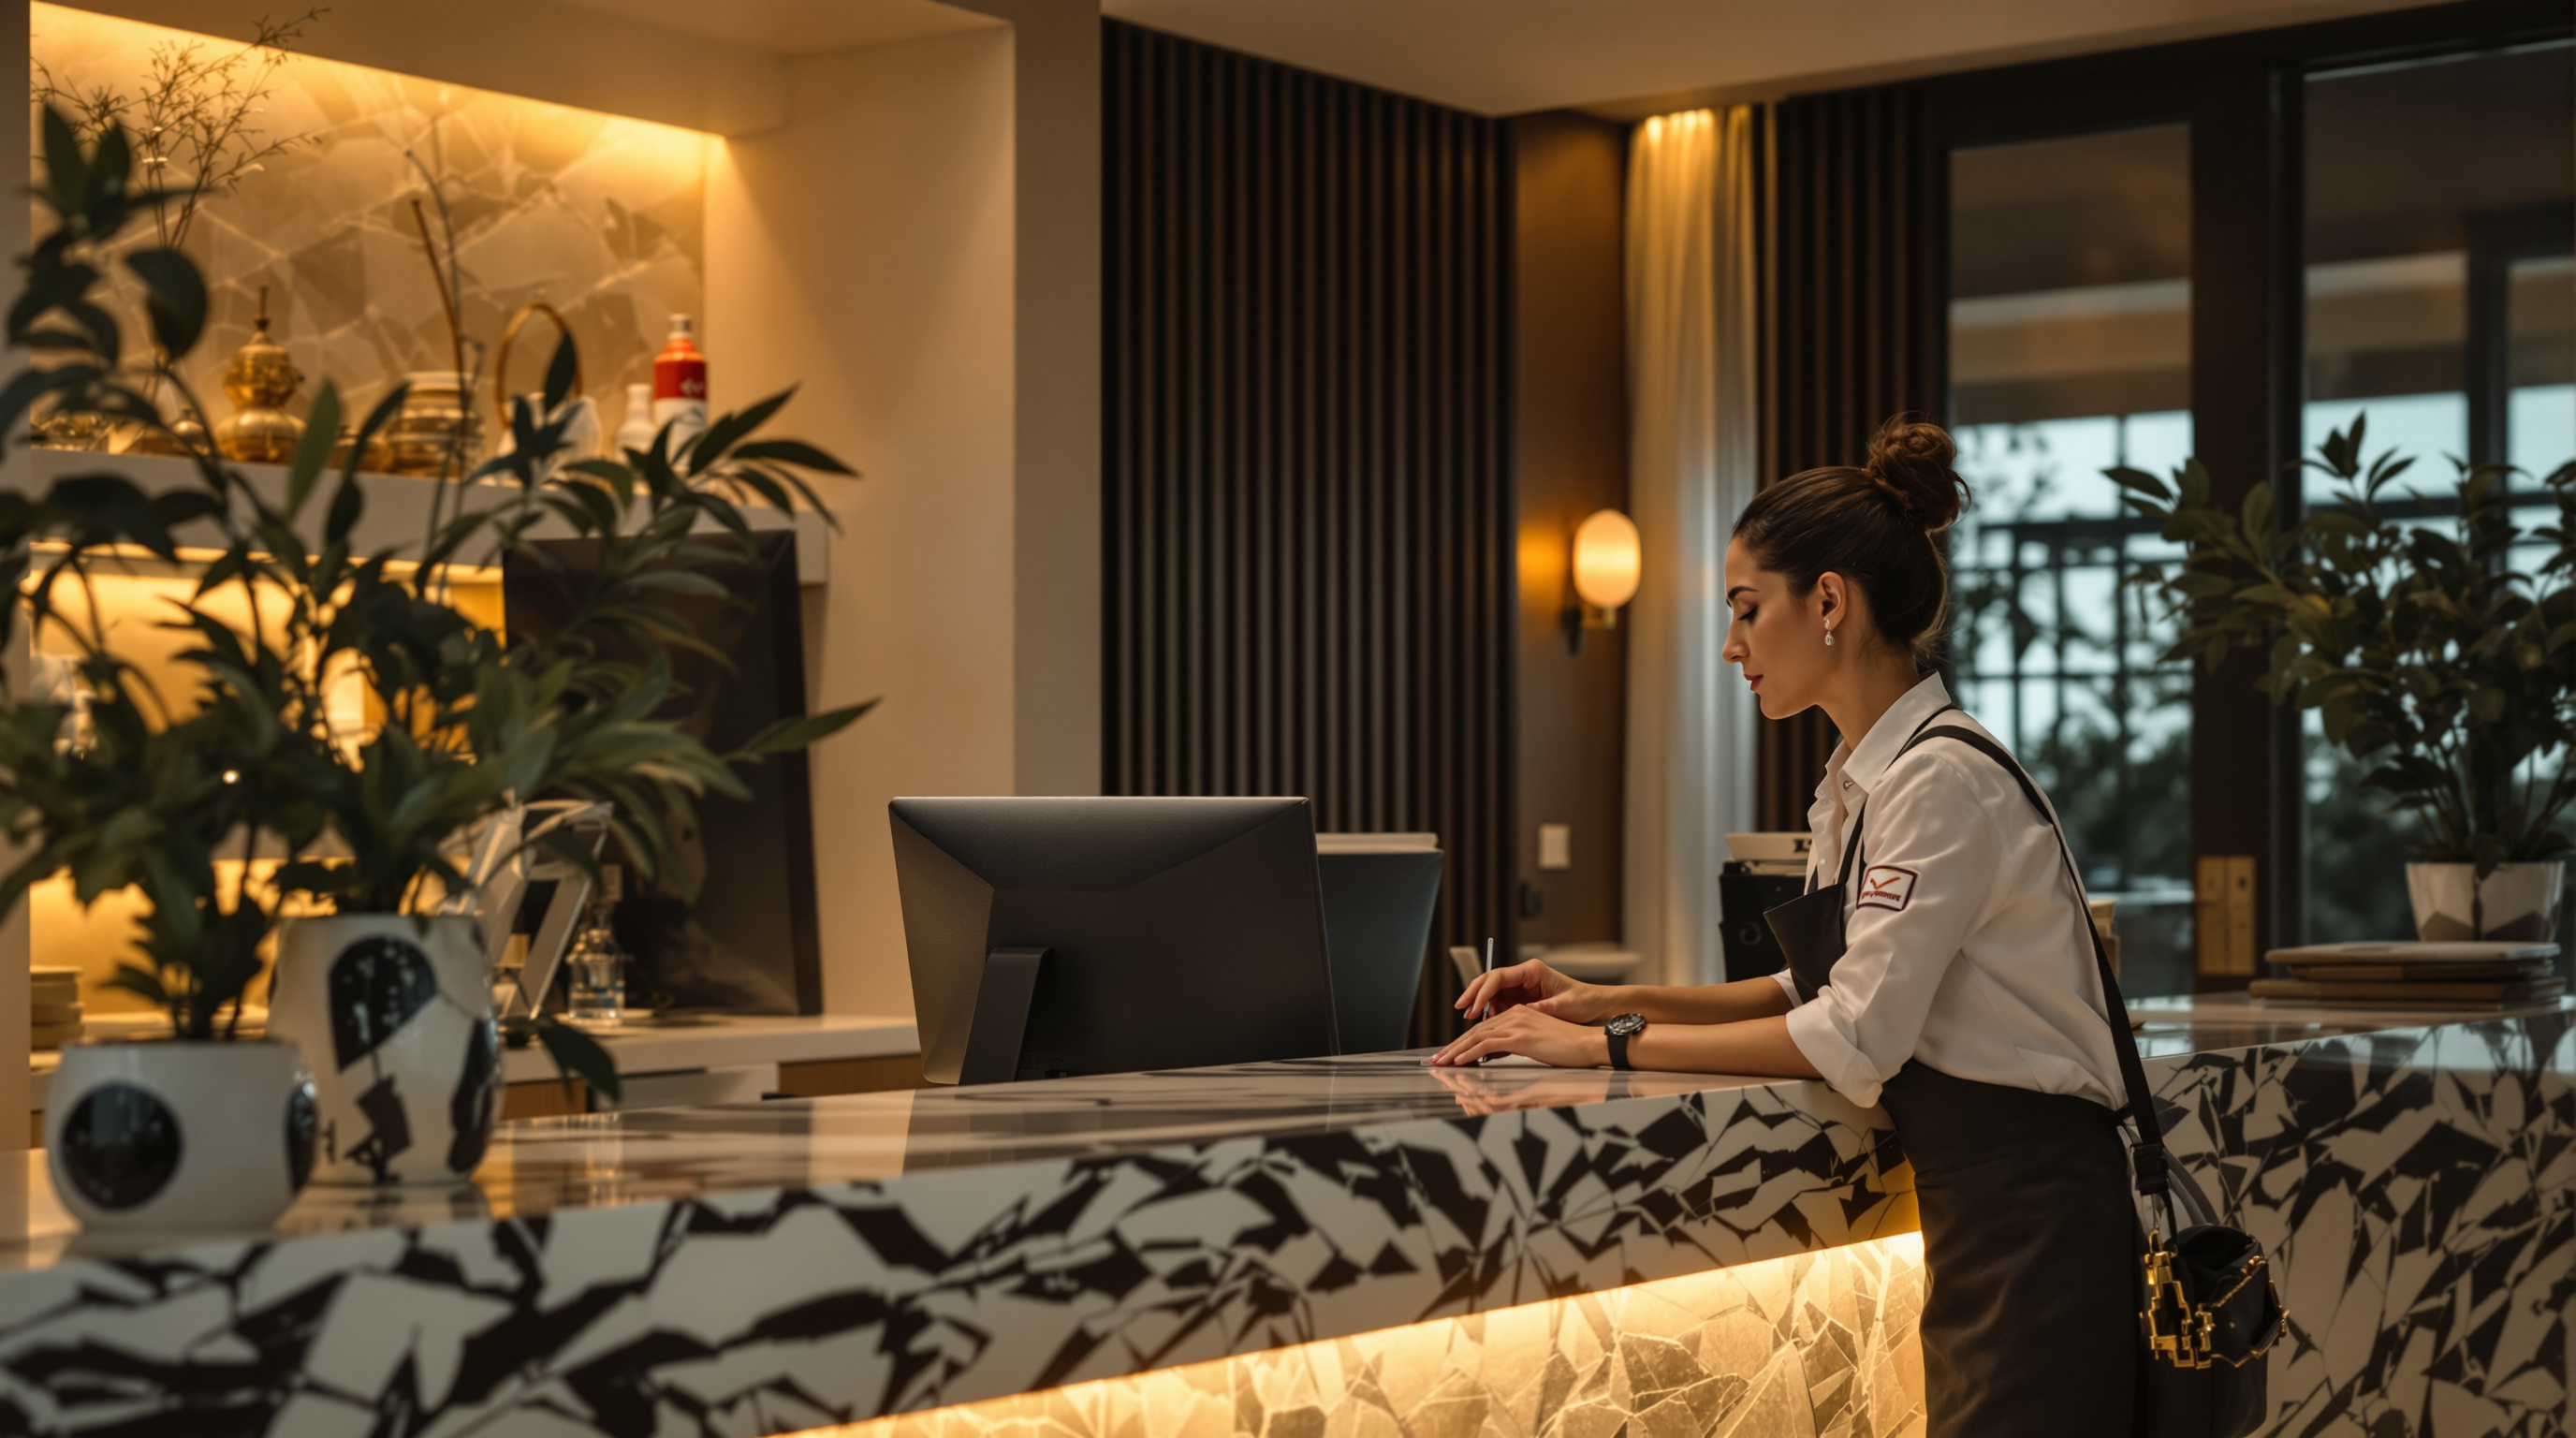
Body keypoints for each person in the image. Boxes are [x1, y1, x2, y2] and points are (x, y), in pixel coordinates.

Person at [1429, 418, 2140, 1437]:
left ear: (1829, 602)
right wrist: (1602, 997)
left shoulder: (1938, 781)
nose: (1730, 647)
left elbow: (1850, 1039)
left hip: (2037, 1216)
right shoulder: (1861, 782)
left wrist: (1605, 1047)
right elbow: (1813, 992)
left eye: (1745, 610)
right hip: (1986, 1209)